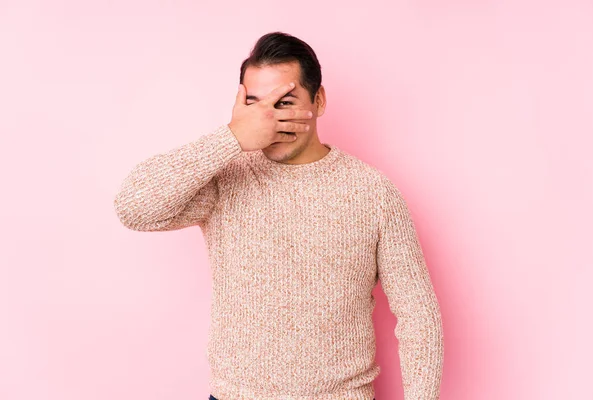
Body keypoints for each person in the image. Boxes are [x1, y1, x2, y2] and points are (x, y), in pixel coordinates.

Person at [114, 31, 444, 400]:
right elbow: (134, 206)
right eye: (255, 104)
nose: (270, 121)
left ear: (318, 101)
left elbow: (419, 317)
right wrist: (230, 138)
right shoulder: (225, 179)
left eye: (284, 103)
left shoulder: (373, 193)